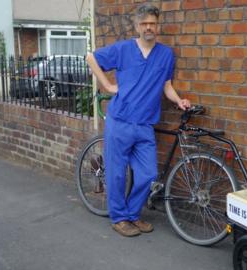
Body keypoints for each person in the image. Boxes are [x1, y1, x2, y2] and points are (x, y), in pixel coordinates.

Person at [86, 4, 190, 237]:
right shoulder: (123, 49)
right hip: (120, 121)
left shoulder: (165, 54)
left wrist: (179, 100)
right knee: (116, 173)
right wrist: (107, 85)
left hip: (145, 126)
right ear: (136, 26)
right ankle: (119, 218)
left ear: (157, 25)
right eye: (144, 24)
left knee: (148, 174)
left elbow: (167, 86)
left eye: (152, 23)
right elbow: (90, 57)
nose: (148, 27)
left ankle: (132, 214)